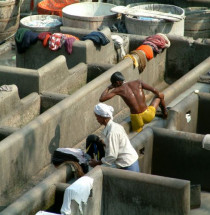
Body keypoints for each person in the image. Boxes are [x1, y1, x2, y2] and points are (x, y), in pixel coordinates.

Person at [99, 71, 168, 133]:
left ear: (117, 83)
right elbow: (155, 90)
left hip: (136, 119)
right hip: (148, 115)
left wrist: (108, 88)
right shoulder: (138, 82)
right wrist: (160, 97)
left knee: (137, 136)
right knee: (160, 96)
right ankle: (165, 114)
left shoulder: (118, 90)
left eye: (114, 85)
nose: (114, 87)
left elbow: (101, 99)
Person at [89, 103, 140, 172]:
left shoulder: (112, 132)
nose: (97, 119)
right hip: (130, 162)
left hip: (127, 165)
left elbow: (111, 156)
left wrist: (97, 163)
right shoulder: (116, 126)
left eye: (97, 117)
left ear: (103, 118)